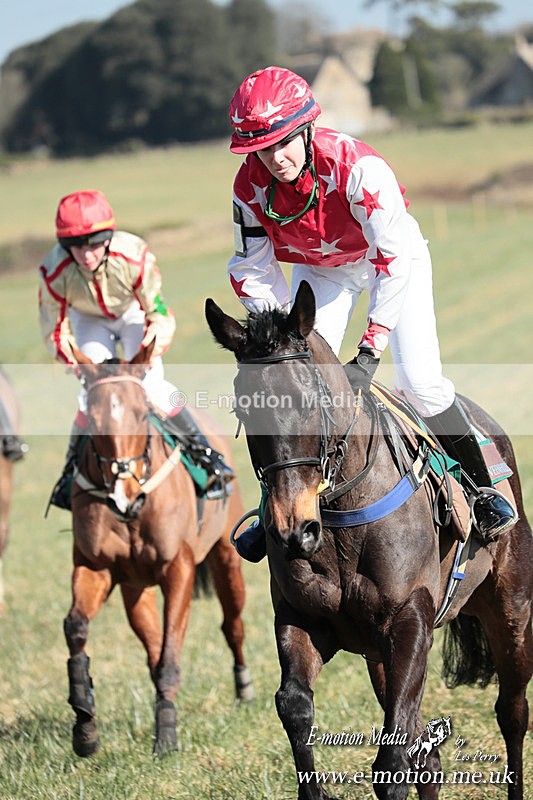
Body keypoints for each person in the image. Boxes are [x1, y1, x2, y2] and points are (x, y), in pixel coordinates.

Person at [226, 66, 516, 560]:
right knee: (289, 386)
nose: (274, 159)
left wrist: (369, 347)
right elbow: (250, 266)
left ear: (306, 129)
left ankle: (485, 486)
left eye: (283, 144)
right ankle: (276, 510)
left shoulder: (357, 166)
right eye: (261, 149)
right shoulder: (248, 187)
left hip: (392, 260)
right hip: (324, 272)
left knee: (420, 382)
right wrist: (275, 333)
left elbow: (391, 259)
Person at [39, 189, 233, 510]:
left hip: (133, 314)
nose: (85, 255)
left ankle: (206, 454)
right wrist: (77, 364)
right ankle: (69, 472)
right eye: (76, 247)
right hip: (87, 320)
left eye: (93, 244)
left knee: (154, 387)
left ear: (108, 237)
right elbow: (55, 329)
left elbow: (158, 313)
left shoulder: (134, 256)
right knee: (91, 397)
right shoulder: (53, 271)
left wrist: (145, 356)